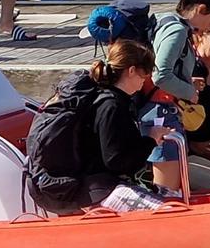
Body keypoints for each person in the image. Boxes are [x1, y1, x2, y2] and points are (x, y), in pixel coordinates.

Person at [25, 37, 168, 214]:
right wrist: (151, 140)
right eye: (145, 75)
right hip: (94, 190)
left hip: (85, 186)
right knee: (167, 211)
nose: (146, 81)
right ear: (131, 71)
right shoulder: (111, 106)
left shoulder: (102, 98)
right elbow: (116, 161)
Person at [146, 0, 210, 192]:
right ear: (201, 10)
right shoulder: (177, 30)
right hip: (162, 109)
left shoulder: (166, 21)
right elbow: (161, 74)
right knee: (168, 191)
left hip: (163, 106)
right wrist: (190, 93)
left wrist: (186, 83)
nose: (209, 28)